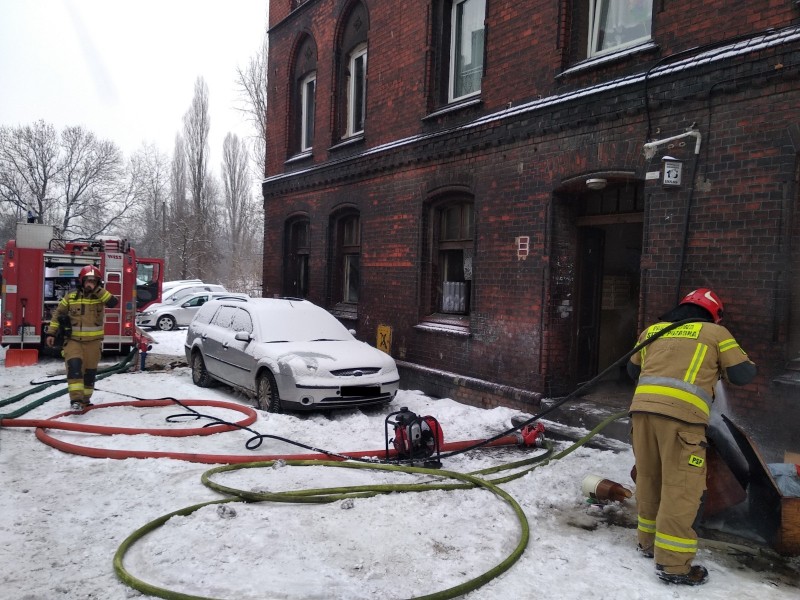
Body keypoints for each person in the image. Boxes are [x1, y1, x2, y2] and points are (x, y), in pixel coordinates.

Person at [626, 288, 756, 586]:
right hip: (682, 420)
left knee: (649, 478)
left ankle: (648, 543)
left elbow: (631, 371)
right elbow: (743, 375)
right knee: (681, 487)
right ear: (714, 313)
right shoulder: (715, 332)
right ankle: (673, 566)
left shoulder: (654, 330)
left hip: (641, 414)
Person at [45, 265, 119, 411]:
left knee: (89, 373)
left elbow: (113, 302)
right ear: (82, 280)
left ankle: (85, 399)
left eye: (94, 280)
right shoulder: (71, 297)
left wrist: (96, 289)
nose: (90, 283)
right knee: (74, 368)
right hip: (73, 341)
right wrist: (51, 333)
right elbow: (58, 314)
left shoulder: (100, 297)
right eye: (87, 280)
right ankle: (76, 400)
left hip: (93, 343)